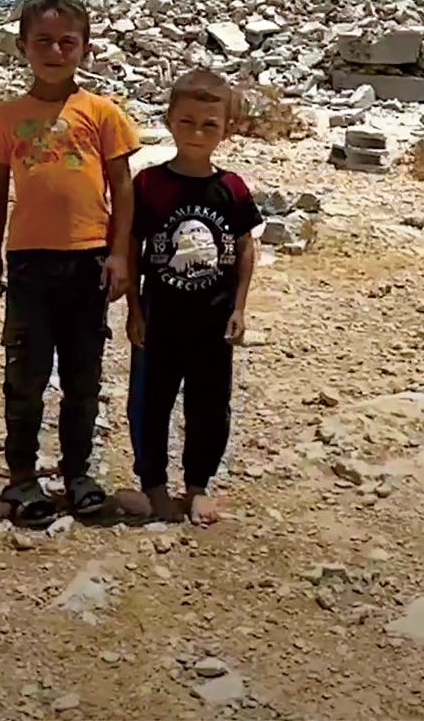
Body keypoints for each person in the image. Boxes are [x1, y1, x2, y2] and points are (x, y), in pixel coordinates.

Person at [0, 0, 140, 526]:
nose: (54, 52)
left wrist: (120, 254)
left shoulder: (102, 113)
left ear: (85, 49)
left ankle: (78, 475)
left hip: (88, 260)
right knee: (25, 374)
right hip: (28, 263)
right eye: (42, 41)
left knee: (82, 375)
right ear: (22, 47)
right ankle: (23, 478)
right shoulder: (8, 117)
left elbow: (122, 186)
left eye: (67, 42)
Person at [125, 68, 259, 526]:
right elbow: (132, 246)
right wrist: (134, 309)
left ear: (226, 130)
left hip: (213, 321)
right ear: (169, 120)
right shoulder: (149, 184)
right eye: (187, 121)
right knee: (151, 402)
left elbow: (245, 247)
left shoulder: (232, 188)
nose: (197, 133)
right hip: (160, 317)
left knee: (210, 405)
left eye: (209, 125)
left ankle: (198, 484)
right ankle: (154, 484)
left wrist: (239, 307)